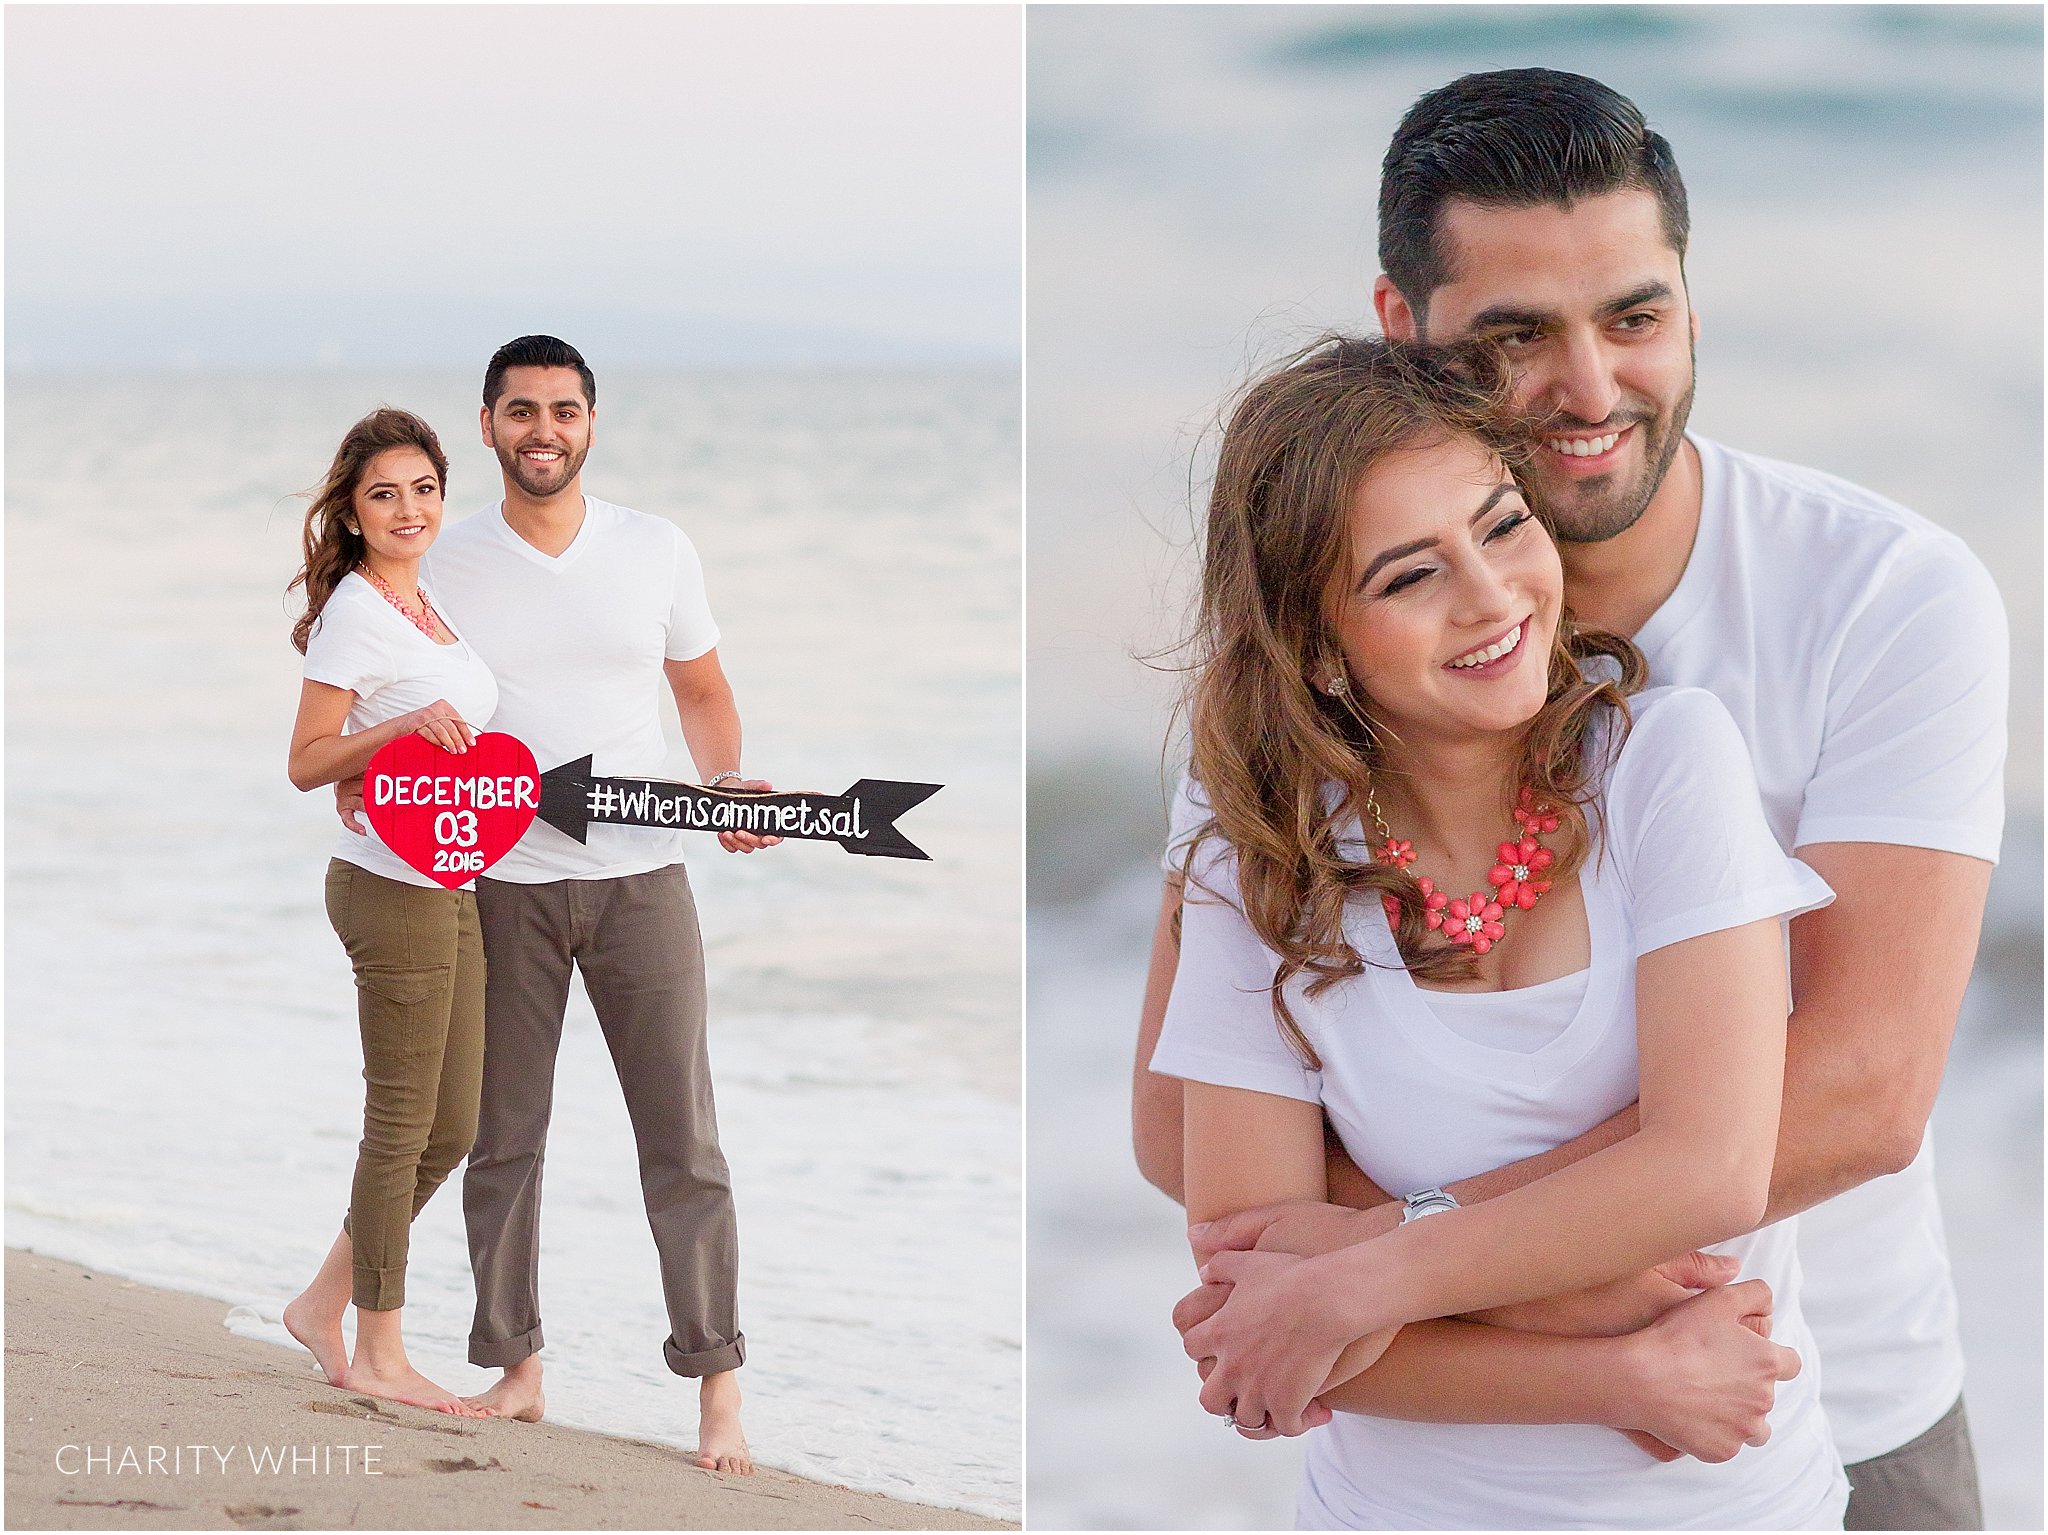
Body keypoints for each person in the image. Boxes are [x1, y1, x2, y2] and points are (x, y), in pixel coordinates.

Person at [1136, 69, 2005, 1530]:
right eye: (1518, 335)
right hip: (1446, 1436)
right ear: (1401, 332)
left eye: (1636, 316)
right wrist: (1552, 1306)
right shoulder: (1294, 693)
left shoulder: (1880, 594)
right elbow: (1186, 1134)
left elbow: (1859, 1092)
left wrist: (1394, 1264)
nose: (1594, 389)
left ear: (1689, 305)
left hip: (1822, 1397)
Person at [1152, 334, 1846, 1528]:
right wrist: (1610, 1353)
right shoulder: (1252, 865)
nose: (1489, 596)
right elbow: (1251, 1315)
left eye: (1501, 524)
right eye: (1408, 575)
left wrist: (1361, 1270)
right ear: (1318, 650)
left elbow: (1706, 1168)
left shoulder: (1663, 764)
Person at [340, 335, 769, 1473]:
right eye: (521, 410)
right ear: (485, 424)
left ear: (591, 421)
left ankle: (717, 1386)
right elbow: (384, 677)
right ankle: (515, 1365)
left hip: (641, 883)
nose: (544, 430)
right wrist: (363, 777)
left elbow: (704, 691)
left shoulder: (655, 548)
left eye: (564, 410)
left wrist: (724, 785)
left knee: (683, 1142)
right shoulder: (447, 558)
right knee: (500, 1141)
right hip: (498, 887)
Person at [280, 407, 496, 1417]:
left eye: (422, 488)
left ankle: (323, 1301)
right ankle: (378, 1349)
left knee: (451, 1126)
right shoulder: (356, 612)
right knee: (400, 1123)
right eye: (383, 494)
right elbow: (307, 760)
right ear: (354, 513)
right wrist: (399, 727)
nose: (408, 508)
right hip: (384, 884)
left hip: (450, 878)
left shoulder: (428, 602)